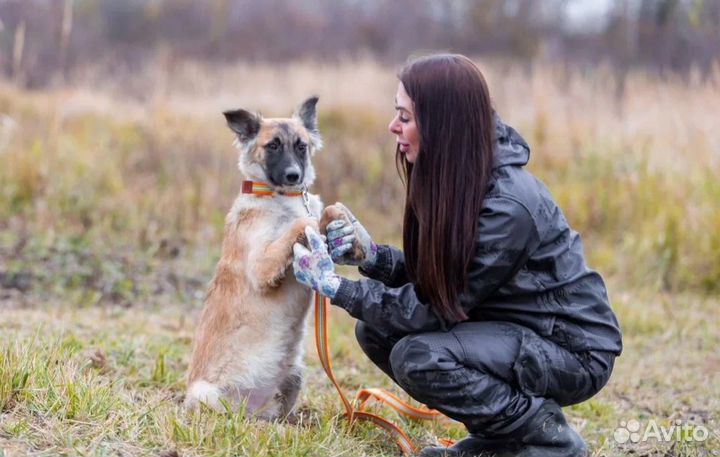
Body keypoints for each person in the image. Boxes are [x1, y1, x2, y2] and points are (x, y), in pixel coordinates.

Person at [292, 54, 622, 457]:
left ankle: (548, 441)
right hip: (512, 325)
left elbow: (436, 307)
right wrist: (373, 256)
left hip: (572, 349)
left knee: (419, 356)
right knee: (376, 332)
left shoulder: (509, 206)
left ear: (441, 124)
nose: (392, 126)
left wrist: (336, 288)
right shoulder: (460, 173)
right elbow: (445, 280)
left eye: (405, 117)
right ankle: (498, 443)